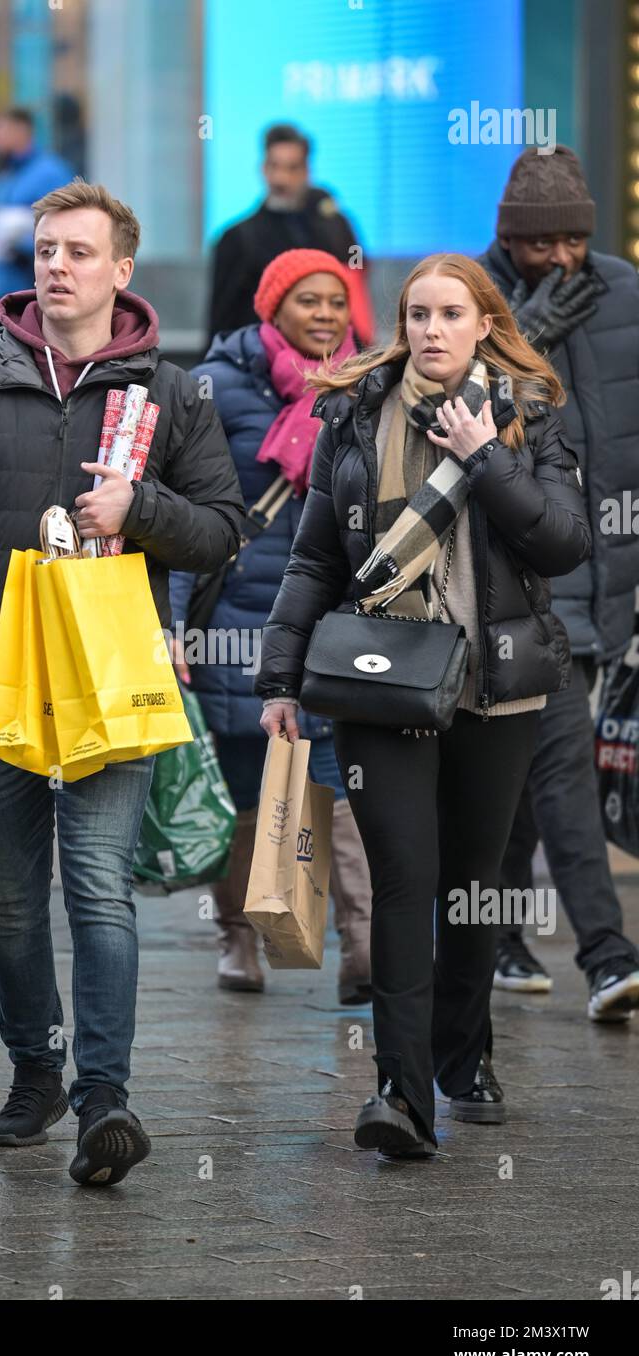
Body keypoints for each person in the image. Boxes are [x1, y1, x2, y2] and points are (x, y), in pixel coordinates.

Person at [0, 179, 244, 1186]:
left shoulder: (170, 390)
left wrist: (142, 508)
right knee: (16, 901)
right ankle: (36, 1066)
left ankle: (104, 1097)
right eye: (43, 251)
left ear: (123, 268)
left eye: (78, 251)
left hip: (114, 684)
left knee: (100, 891)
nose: (56, 266)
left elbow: (224, 533)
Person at [255, 253, 590, 1158]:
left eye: (450, 314)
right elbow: (315, 560)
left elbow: (562, 542)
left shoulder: (528, 418)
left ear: (485, 323)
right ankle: (401, 1097)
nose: (431, 331)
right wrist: (281, 679)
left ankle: (464, 1054)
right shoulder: (355, 416)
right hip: (380, 683)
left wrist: (484, 458)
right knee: (405, 877)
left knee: (473, 887)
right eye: (416, 314)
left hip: (496, 687)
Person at [170, 248, 372, 1003]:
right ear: (272, 307)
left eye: (335, 300)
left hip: (332, 622)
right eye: (307, 300)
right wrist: (175, 625)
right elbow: (189, 518)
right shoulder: (217, 389)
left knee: (335, 783)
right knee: (245, 789)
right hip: (233, 621)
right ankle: (240, 939)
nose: (324, 313)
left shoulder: (368, 386)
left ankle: (362, 948)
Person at [479, 146, 639, 1020]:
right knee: (557, 771)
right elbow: (453, 411)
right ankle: (607, 954)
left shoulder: (625, 291)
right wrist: (524, 331)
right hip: (523, 582)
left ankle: (501, 938)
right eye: (545, 245)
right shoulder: (473, 296)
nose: (565, 258)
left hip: (609, 567)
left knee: (531, 782)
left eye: (576, 239)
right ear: (513, 240)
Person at [206, 123, 374, 350]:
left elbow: (356, 300)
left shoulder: (333, 225)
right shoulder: (236, 238)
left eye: (292, 168)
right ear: (263, 169)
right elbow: (220, 323)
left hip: (331, 364)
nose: (281, 179)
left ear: (306, 172)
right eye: (275, 166)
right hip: (259, 369)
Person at [0, 109, 75, 308]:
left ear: (21, 131)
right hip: (1, 296)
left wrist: (20, 244)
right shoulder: (5, 176)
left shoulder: (51, 173)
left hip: (31, 297)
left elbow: (67, 232)